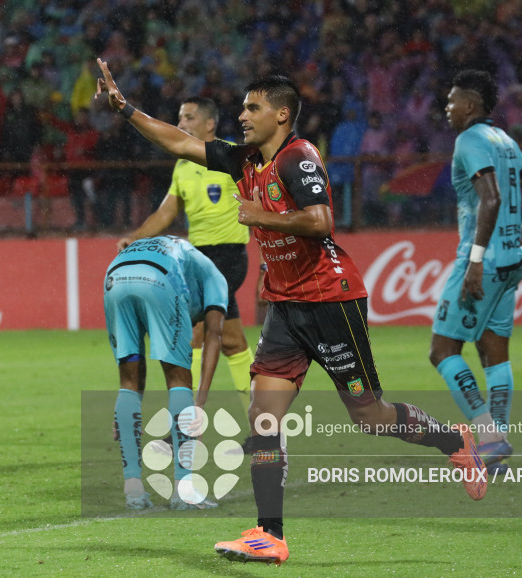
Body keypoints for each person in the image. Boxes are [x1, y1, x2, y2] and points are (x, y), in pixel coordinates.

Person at [97, 59, 487, 566]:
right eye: (241, 107)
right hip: (285, 306)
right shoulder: (243, 161)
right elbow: (178, 142)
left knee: (369, 416)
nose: (242, 115)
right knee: (263, 419)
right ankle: (269, 533)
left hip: (331, 300)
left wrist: (261, 214)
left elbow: (323, 219)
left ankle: (453, 439)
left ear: (282, 115)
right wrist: (126, 109)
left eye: (252, 108)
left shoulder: (297, 157)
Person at [428, 70, 522, 476]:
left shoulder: (470, 140)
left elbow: (491, 197)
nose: (447, 109)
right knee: (493, 351)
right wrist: (518, 244)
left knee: (443, 351)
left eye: (451, 102)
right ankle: (496, 441)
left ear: (469, 105)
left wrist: (477, 259)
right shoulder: (505, 140)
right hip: (510, 261)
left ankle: (490, 437)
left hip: (480, 260)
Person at [116, 96, 254, 416]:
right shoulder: (183, 166)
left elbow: (261, 204)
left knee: (189, 335)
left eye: (189, 118)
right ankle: (266, 425)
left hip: (229, 257)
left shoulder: (233, 158)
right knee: (233, 342)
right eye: (180, 117)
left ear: (209, 124)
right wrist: (134, 238)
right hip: (200, 262)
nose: (181, 124)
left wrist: (266, 264)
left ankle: (184, 422)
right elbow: (166, 213)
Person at [105, 235, 227, 511]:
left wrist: (125, 413)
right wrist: (199, 403)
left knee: (129, 382)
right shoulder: (216, 279)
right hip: (160, 279)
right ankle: (183, 490)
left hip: (115, 276)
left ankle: (133, 489)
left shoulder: (184, 254)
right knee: (178, 379)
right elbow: (214, 336)